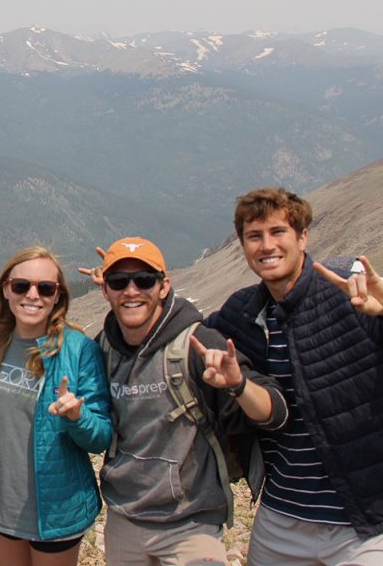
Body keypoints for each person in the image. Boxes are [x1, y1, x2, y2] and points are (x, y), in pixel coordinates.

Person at [206, 187, 383, 565]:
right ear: (242, 245)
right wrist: (128, 294)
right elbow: (185, 338)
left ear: (302, 237)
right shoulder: (242, 312)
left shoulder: (353, 292)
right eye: (254, 236)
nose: (267, 245)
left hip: (368, 521)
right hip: (281, 518)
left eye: (278, 232)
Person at [85, 237, 287, 564]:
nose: (132, 290)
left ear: (164, 287)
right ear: (105, 290)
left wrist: (238, 384)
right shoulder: (103, 348)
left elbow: (274, 412)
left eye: (144, 280)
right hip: (124, 518)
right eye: (119, 282)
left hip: (192, 523)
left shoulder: (198, 344)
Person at [0, 246, 113, 566]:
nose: (32, 295)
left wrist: (77, 418)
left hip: (57, 509)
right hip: (2, 505)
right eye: (21, 286)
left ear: (57, 297)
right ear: (6, 290)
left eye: (45, 288)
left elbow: (101, 436)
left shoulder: (79, 350)